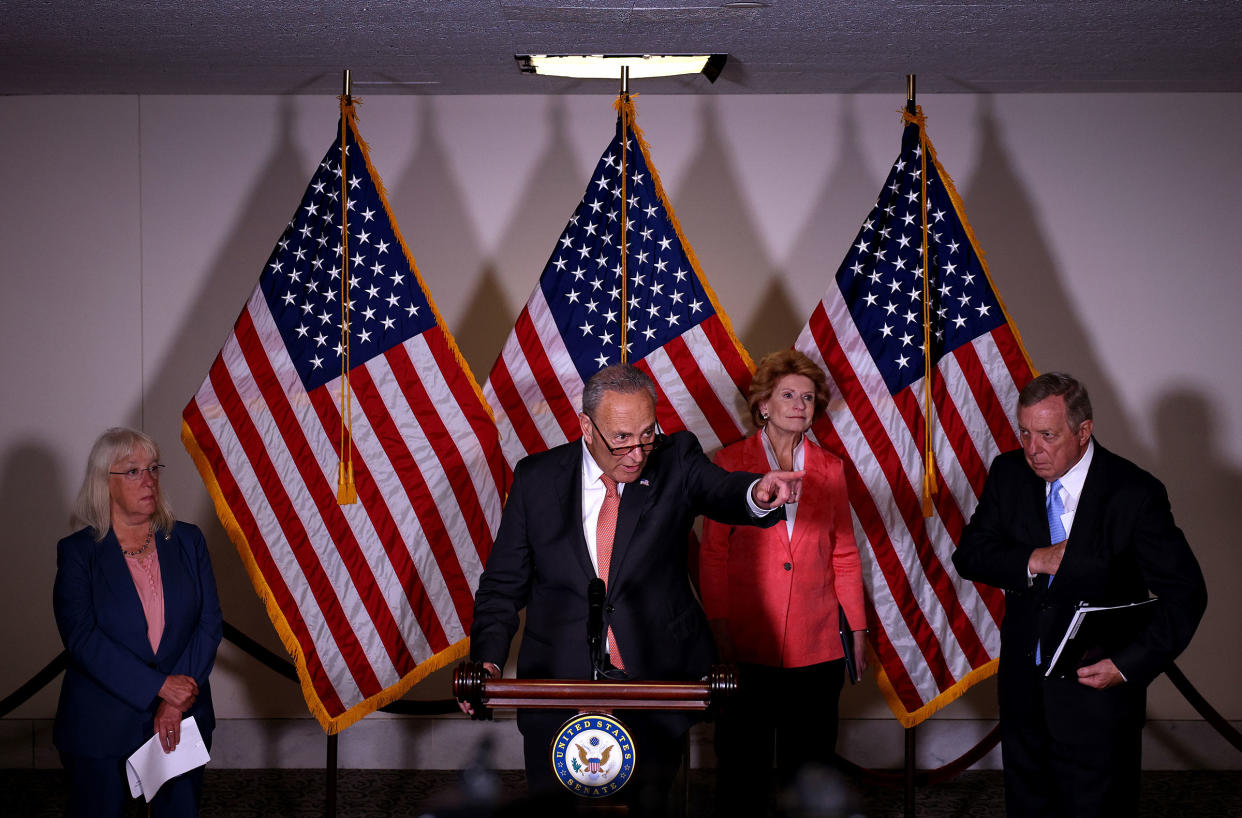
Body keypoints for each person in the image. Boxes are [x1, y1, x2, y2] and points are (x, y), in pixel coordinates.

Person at [467, 364, 802, 816]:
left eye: (647, 434)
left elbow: (721, 489)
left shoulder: (676, 457)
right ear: (586, 426)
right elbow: (503, 585)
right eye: (621, 438)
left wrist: (757, 493)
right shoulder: (536, 479)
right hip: (558, 684)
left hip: (655, 682)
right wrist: (486, 658)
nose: (637, 452)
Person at [953, 373, 1207, 817]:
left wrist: (1126, 666)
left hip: (1098, 697)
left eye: (1047, 435)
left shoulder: (1134, 492)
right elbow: (970, 556)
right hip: (1023, 690)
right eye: (1026, 433)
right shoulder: (1009, 473)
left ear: (1083, 430)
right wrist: (1037, 558)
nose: (1033, 449)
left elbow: (1186, 594)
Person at [699, 350, 867, 817]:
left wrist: (857, 629)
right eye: (788, 395)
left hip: (818, 647)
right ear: (764, 405)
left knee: (810, 770)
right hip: (747, 642)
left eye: (808, 398)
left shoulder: (831, 468)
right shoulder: (730, 462)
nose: (799, 404)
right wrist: (719, 629)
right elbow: (713, 555)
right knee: (742, 768)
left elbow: (845, 554)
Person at [53, 427, 223, 817]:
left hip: (182, 717)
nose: (148, 480)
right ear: (103, 482)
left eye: (153, 468)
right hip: (101, 723)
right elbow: (82, 639)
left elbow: (209, 622)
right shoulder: (78, 552)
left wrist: (173, 702)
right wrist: (159, 686)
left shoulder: (188, 540)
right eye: (132, 471)